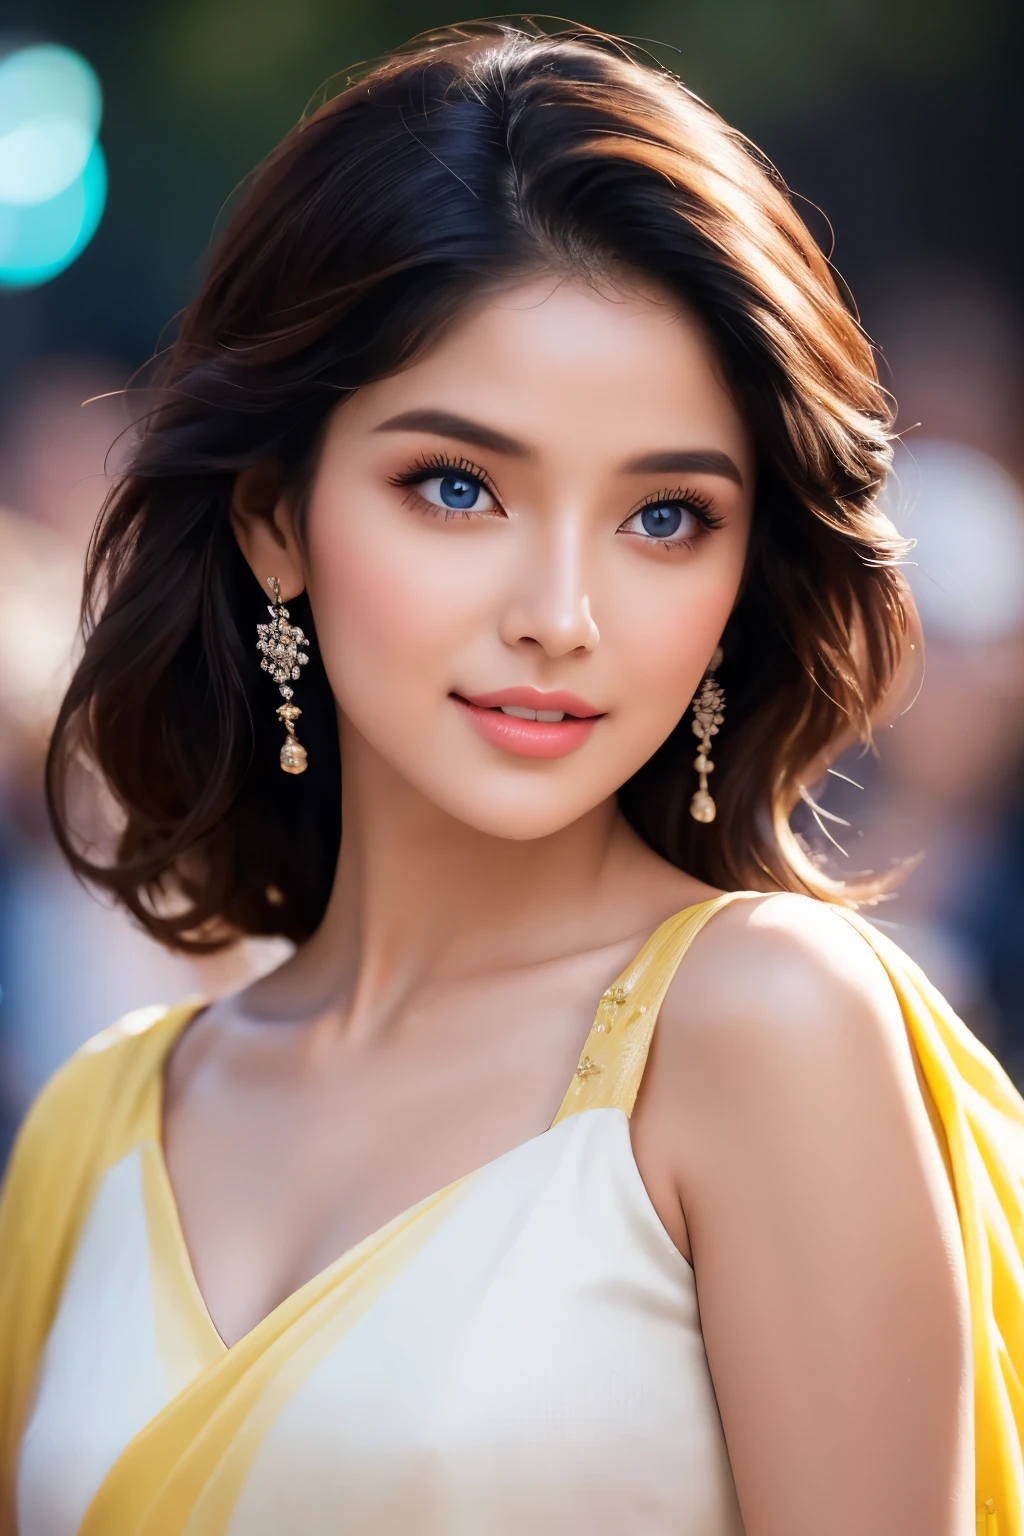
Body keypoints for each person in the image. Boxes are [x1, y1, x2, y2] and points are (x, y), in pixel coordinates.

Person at [1, 23, 1021, 1536]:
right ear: (276, 517)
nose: (563, 610)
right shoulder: (95, 1122)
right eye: (460, 486)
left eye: (666, 514)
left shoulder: (761, 1029)